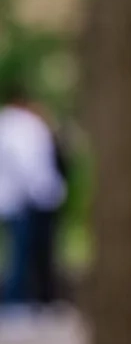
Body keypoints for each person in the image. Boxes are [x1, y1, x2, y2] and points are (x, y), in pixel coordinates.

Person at [0, 83, 67, 313]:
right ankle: (16, 301)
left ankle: (26, 300)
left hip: (18, 198)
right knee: (23, 254)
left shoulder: (11, 124)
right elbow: (26, 163)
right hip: (27, 199)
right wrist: (41, 191)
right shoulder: (22, 125)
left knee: (23, 253)